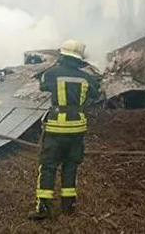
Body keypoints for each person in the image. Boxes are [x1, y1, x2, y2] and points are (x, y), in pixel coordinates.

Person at [28, 39, 101, 220]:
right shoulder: (87, 78)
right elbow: (95, 93)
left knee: (48, 166)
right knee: (70, 166)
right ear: (79, 59)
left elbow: (42, 85)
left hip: (56, 129)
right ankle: (68, 206)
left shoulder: (52, 73)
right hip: (77, 129)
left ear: (62, 55)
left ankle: (44, 208)